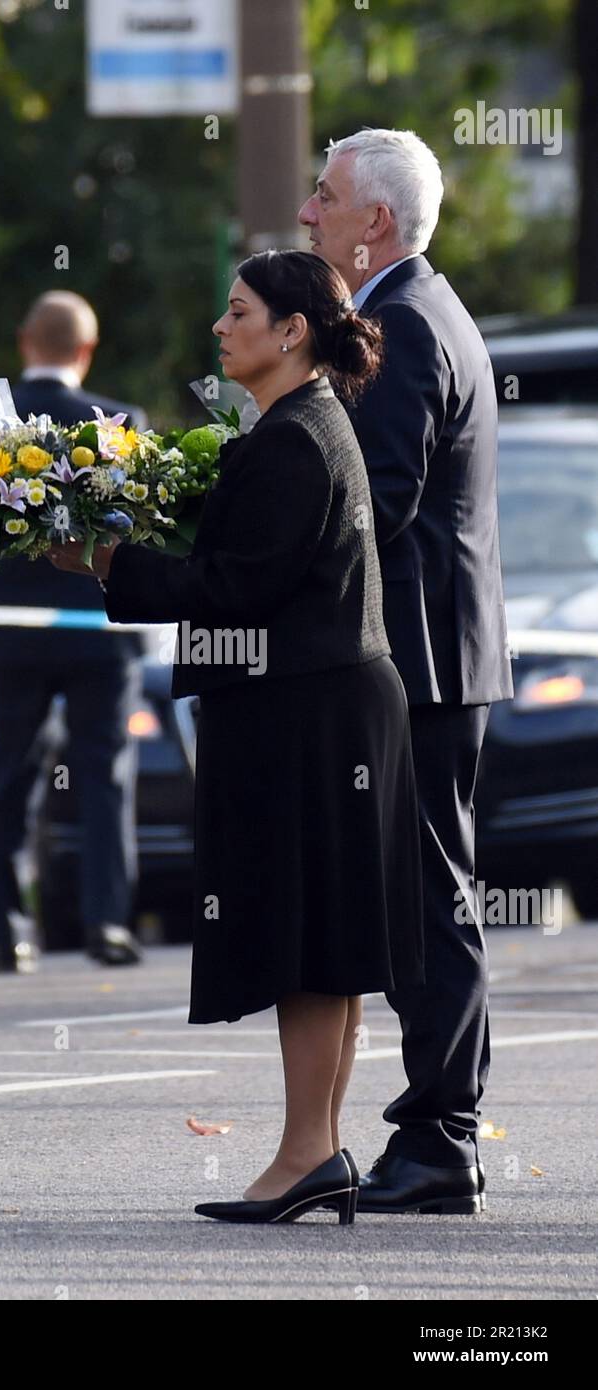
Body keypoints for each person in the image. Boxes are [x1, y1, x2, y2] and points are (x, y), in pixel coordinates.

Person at [49, 250, 425, 1225]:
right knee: (328, 937)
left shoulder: (295, 438)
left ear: (290, 329)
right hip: (325, 706)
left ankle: (307, 1151)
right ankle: (320, 1149)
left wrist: (103, 561)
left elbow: (235, 590)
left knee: (308, 940)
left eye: (238, 310)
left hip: (311, 714)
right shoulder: (296, 426)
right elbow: (242, 559)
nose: (221, 327)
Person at [299, 128, 514, 1215]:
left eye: (323, 195)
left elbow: (371, 507)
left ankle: (439, 1137)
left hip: (419, 656)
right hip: (429, 651)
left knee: (429, 896)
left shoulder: (397, 323)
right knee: (425, 891)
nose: (306, 213)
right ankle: (437, 1130)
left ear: (371, 219)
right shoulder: (415, 309)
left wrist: (255, 543)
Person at [0, 290, 148, 973]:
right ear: (86, 350)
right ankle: (106, 923)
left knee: (10, 775)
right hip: (97, 627)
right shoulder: (118, 420)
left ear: (24, 341)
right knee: (106, 776)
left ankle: (8, 931)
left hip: (11, 627)